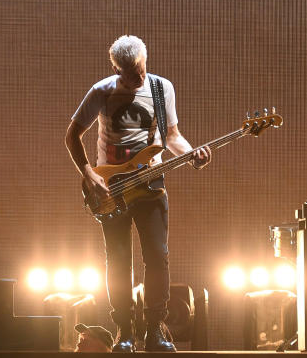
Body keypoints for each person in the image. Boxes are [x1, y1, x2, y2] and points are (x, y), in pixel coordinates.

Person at [65, 35, 211, 353]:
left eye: (141, 69)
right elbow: (72, 135)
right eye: (130, 73)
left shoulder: (161, 88)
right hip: (112, 187)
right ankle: (124, 331)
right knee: (117, 261)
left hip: (151, 185)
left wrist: (192, 153)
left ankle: (154, 329)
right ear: (117, 69)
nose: (138, 77)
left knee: (158, 257)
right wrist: (88, 174)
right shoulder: (102, 91)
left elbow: (172, 136)